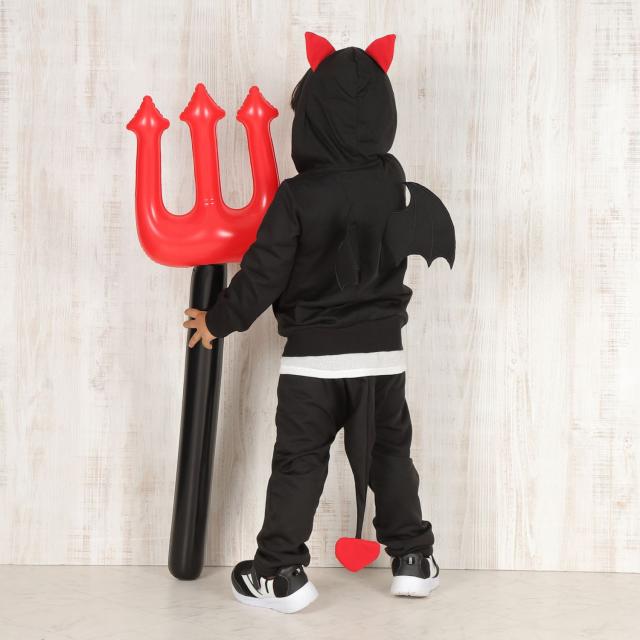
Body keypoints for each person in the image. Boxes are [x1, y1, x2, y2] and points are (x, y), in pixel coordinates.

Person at [183, 31, 455, 614]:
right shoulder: (392, 181)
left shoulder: (297, 196)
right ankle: (412, 558)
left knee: (300, 462)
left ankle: (280, 573)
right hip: (382, 357)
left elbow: (263, 274)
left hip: (313, 365)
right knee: (389, 456)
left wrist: (218, 320)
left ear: (312, 121)